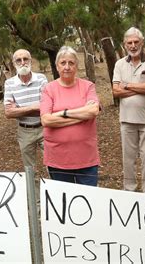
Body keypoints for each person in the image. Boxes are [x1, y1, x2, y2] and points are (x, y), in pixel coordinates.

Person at [40, 46, 101, 186]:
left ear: (77, 66)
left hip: (86, 157)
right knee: (64, 201)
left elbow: (92, 111)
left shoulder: (88, 86)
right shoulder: (48, 89)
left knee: (88, 200)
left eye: (71, 63)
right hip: (58, 158)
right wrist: (81, 115)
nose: (67, 67)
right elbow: (46, 120)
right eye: (63, 63)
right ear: (57, 66)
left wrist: (63, 113)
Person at [112, 27, 145, 193]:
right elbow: (115, 91)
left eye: (136, 42)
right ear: (125, 45)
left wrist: (126, 85)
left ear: (142, 42)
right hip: (127, 119)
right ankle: (129, 192)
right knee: (128, 159)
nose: (133, 46)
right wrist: (142, 87)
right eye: (129, 43)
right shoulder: (119, 64)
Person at [4, 49, 48, 173]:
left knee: (54, 165)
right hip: (24, 131)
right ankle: (35, 192)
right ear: (13, 64)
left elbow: (47, 106)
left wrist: (19, 109)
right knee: (30, 170)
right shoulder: (9, 83)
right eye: (18, 60)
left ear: (31, 61)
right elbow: (8, 113)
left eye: (25, 59)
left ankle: (55, 191)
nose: (23, 62)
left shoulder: (41, 79)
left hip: (44, 127)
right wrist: (34, 107)